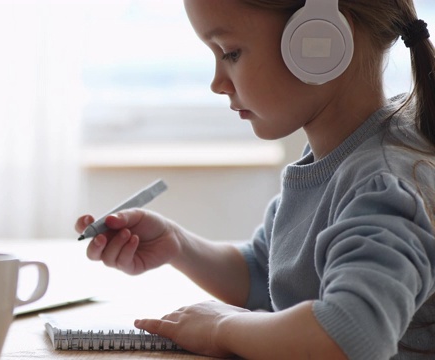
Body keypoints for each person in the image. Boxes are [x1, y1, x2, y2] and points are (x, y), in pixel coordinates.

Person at [74, 0, 435, 359]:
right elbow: (267, 273)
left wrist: (220, 328)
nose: (217, 83)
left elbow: (348, 335)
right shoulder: (339, 161)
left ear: (321, 38)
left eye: (230, 53)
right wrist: (177, 244)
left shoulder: (383, 186)